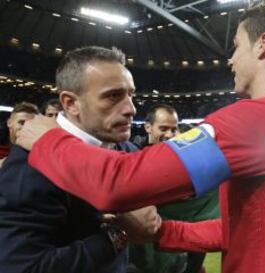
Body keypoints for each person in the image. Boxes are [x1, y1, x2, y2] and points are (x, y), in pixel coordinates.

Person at [16, 2, 265, 273]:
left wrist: (49, 139)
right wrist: (162, 232)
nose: (230, 59)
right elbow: (246, 227)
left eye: (236, 46)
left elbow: (118, 185)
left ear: (262, 44)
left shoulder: (258, 120)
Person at [0, 46, 160, 273]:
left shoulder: (126, 149)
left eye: (131, 94)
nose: (131, 109)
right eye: (113, 96)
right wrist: (118, 236)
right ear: (70, 103)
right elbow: (22, 266)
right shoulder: (31, 165)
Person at [130, 104, 219, 273]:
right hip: (144, 256)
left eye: (173, 129)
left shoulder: (187, 160)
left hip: (183, 251)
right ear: (148, 127)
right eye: (163, 128)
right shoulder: (132, 159)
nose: (170, 135)